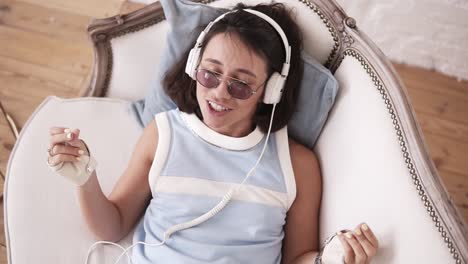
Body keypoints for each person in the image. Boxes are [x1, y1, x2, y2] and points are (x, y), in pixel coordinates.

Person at [47, 2, 379, 263]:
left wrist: (330, 259)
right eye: (210, 75)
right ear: (194, 67)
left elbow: (296, 259)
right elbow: (113, 225)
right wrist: (85, 179)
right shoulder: (162, 134)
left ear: (272, 90)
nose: (219, 93)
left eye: (241, 84)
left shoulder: (298, 164)